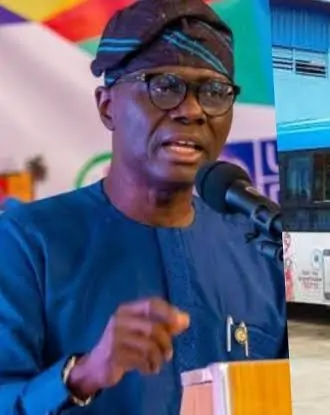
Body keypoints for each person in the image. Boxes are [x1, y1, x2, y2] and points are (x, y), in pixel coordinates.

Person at [0, 1, 288, 414]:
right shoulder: (26, 242)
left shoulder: (258, 252)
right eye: (164, 86)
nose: (192, 111)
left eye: (213, 92)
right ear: (107, 106)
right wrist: (84, 374)